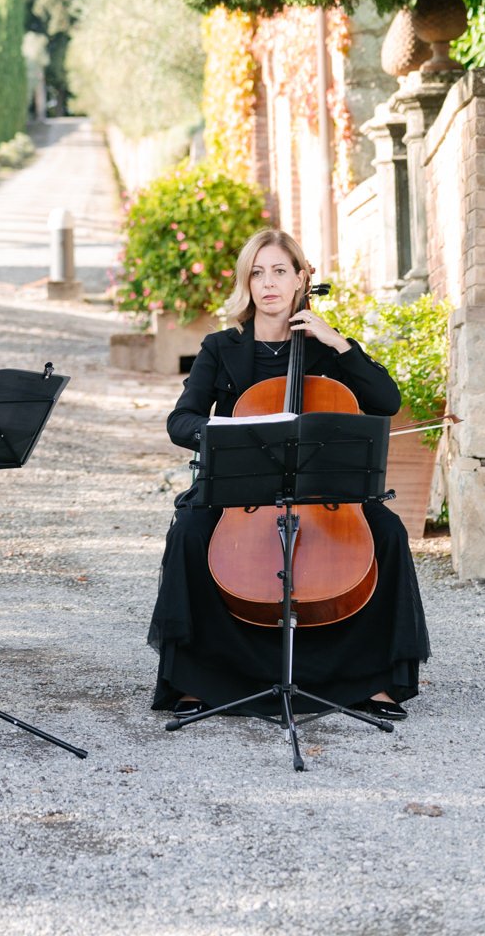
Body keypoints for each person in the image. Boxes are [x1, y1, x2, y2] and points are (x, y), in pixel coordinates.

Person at [148, 227, 430, 719]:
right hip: (242, 487)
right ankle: (199, 679)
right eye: (257, 273)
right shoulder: (221, 347)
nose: (268, 283)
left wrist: (339, 343)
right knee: (190, 532)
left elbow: (386, 401)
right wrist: (228, 431)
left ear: (302, 278)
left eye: (280, 271)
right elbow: (181, 420)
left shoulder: (326, 349)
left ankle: (375, 680)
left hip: (322, 489)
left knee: (387, 532)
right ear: (247, 282)